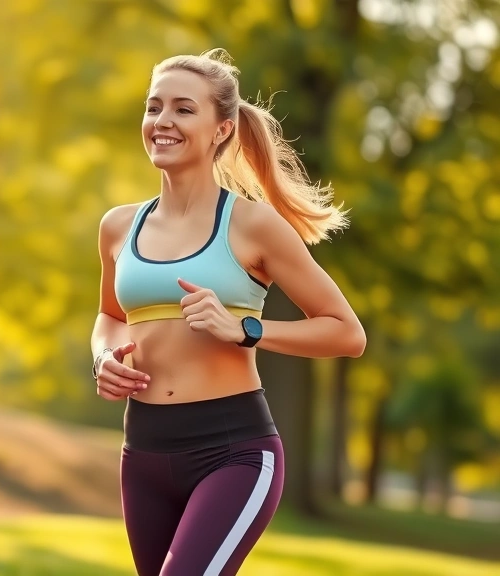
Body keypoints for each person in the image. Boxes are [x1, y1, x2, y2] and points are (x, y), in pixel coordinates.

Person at [90, 48, 366, 576]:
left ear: (221, 129)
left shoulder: (253, 226)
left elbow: (346, 333)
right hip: (143, 451)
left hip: (232, 452)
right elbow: (109, 316)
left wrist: (247, 328)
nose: (162, 121)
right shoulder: (118, 227)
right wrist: (103, 358)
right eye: (154, 107)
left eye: (183, 109)